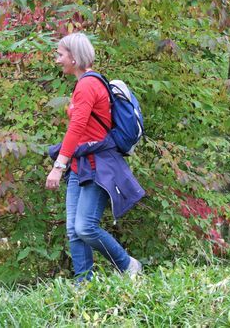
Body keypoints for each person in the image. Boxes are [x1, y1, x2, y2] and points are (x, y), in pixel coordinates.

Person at [45, 32, 144, 281]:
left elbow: (76, 129)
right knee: (73, 229)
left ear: (74, 58)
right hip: (81, 165)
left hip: (98, 165)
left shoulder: (88, 84)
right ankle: (83, 284)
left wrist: (58, 166)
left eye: (61, 55)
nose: (57, 60)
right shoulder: (85, 84)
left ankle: (128, 265)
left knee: (85, 226)